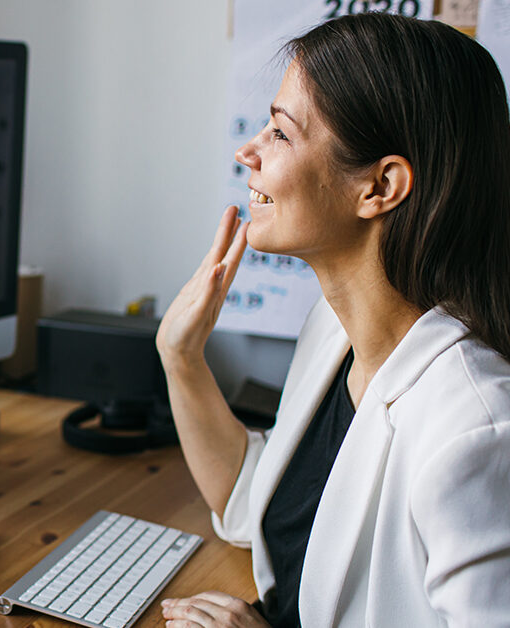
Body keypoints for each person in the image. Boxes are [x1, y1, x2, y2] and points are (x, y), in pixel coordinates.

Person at [155, 14, 510, 627]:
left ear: (379, 185)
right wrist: (181, 359)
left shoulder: (475, 432)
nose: (248, 151)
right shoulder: (333, 330)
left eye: (281, 134)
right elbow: (257, 506)